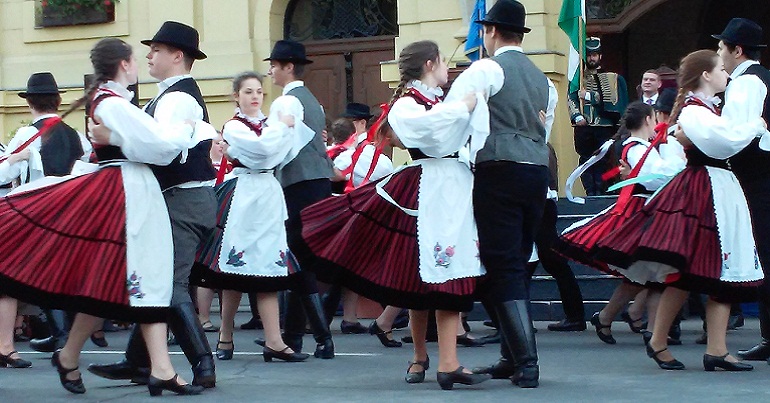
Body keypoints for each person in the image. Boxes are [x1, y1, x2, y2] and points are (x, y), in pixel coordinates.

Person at [0, 37, 209, 396]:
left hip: (127, 187)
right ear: (124, 65)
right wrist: (187, 129)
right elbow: (161, 148)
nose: (144, 59)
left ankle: (99, 359)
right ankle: (152, 367)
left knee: (118, 282)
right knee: (141, 277)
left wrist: (124, 138)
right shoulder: (115, 105)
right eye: (136, 57)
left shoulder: (112, 103)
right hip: (128, 190)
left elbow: (146, 144)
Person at [299, 39, 488, 390]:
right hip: (427, 187)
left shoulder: (439, 101)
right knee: (423, 276)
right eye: (443, 60)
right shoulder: (406, 105)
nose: (447, 68)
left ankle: (444, 361)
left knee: (445, 273)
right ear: (431, 63)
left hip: (454, 187)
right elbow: (427, 131)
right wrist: (463, 106)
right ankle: (422, 356)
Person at [596, 49, 765, 371]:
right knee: (691, 270)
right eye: (720, 70)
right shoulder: (694, 112)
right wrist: (753, 125)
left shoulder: (707, 109)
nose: (726, 75)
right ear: (706, 75)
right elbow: (726, 142)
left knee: (716, 271)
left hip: (720, 187)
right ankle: (660, 339)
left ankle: (714, 348)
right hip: (705, 190)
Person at [88, 21, 218, 388]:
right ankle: (137, 362)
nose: (148, 55)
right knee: (154, 280)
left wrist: (114, 138)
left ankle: (204, 364)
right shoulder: (167, 96)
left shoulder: (176, 99)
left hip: (184, 198)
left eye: (156, 50)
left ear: (177, 56)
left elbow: (162, 150)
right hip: (182, 197)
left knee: (168, 283)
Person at [438, 0, 548, 388]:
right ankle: (510, 356)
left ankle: (527, 363)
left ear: (490, 32)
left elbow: (454, 117)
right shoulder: (543, 79)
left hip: (498, 170)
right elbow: (543, 131)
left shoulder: (487, 68)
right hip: (537, 172)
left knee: (501, 264)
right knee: (513, 261)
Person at [193, 71, 310, 363]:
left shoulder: (267, 125)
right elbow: (263, 149)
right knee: (236, 268)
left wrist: (273, 139)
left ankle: (273, 340)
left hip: (268, 193)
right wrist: (282, 129)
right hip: (244, 195)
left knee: (267, 266)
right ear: (236, 96)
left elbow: (277, 154)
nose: (255, 96)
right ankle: (226, 333)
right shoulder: (234, 126)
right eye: (248, 91)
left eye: (259, 91)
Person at [555, 101, 685, 344]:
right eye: (654, 118)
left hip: (646, 209)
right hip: (640, 211)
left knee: (643, 273)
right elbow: (657, 179)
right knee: (652, 272)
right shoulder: (636, 147)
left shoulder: (641, 146)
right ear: (648, 120)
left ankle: (614, 318)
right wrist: (676, 159)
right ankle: (651, 332)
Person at [1, 72, 85, 361]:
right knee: (56, 274)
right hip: (69, 211)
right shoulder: (74, 134)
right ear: (57, 100)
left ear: (30, 103)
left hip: (36, 210)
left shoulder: (28, 134)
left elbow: (4, 173)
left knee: (14, 277)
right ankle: (58, 335)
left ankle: (56, 337)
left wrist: (16, 159)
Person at [265, 39, 336, 359]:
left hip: (298, 186)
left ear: (288, 66)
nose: (270, 71)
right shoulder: (312, 101)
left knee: (298, 261)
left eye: (274, 65)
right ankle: (295, 337)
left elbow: (283, 149)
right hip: (316, 183)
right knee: (302, 260)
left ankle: (319, 336)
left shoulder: (288, 102)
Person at [710, 18, 770, 362]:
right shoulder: (755, 80)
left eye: (722, 46)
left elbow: (738, 136)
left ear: (737, 50)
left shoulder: (746, 83)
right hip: (760, 178)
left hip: (757, 181)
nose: (719, 52)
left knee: (763, 256)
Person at [568, 37, 629, 195]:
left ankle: (604, 192)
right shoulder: (578, 79)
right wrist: (577, 116)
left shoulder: (612, 78)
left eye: (595, 55)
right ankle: (591, 193)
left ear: (600, 56)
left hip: (604, 127)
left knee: (605, 161)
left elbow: (613, 102)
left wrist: (589, 95)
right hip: (585, 128)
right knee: (586, 162)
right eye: (589, 55)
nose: (591, 58)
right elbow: (571, 98)